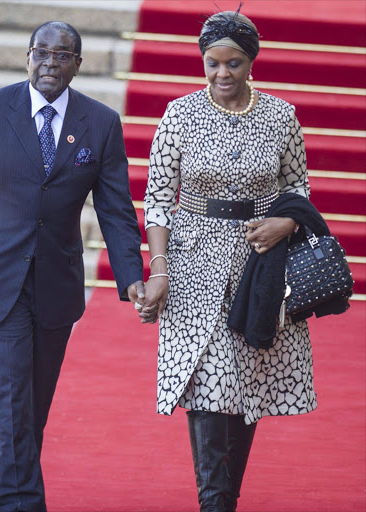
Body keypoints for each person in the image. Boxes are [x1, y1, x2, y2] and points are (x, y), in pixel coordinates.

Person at [0, 21, 144, 512]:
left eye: (62, 55)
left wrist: (132, 275)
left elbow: (115, 209)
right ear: (28, 57)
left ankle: (16, 484)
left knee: (34, 403)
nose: (50, 63)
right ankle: (17, 503)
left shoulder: (100, 122)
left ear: (78, 63)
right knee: (13, 396)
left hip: (56, 280)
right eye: (41, 53)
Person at [140, 7, 318, 512]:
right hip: (195, 258)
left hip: (259, 262)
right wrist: (158, 267)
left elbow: (298, 186)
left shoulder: (281, 115)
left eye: (234, 63)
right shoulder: (180, 113)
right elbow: (157, 197)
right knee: (209, 380)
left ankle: (227, 499)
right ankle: (214, 502)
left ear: (251, 62)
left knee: (247, 381)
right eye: (213, 63)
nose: (222, 74)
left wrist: (287, 222)